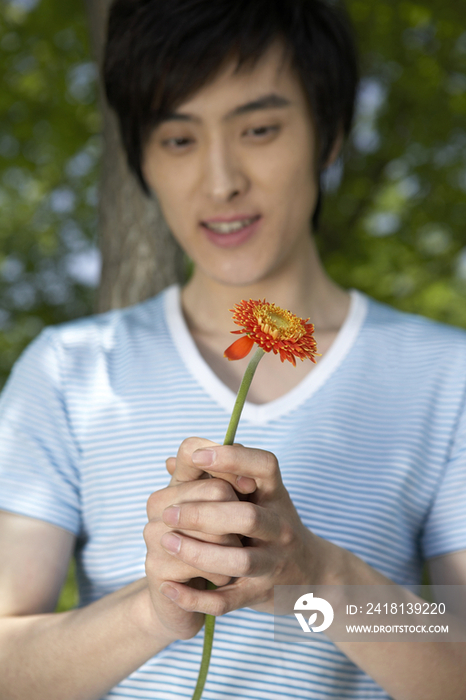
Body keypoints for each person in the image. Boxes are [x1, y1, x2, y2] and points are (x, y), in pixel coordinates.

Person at [1, 0, 466, 698]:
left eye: (259, 128)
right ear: (141, 160)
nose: (221, 182)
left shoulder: (443, 374)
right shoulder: (69, 370)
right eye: (178, 139)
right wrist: (154, 611)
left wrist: (320, 576)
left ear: (330, 135)